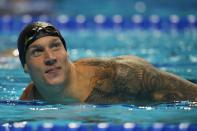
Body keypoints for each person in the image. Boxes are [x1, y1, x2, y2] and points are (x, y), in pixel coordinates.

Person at [18, 21, 197, 104]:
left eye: (56, 46)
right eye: (37, 51)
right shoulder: (31, 98)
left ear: (66, 53)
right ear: (25, 66)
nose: (50, 58)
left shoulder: (120, 76)